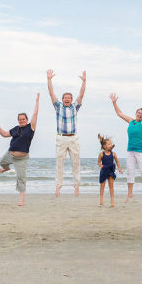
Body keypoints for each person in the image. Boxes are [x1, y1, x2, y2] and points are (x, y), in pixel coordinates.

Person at [109, 91, 142, 203]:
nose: (140, 114)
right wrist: (114, 102)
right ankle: (129, 193)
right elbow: (119, 113)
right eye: (138, 113)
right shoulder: (131, 121)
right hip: (130, 150)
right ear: (136, 113)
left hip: (141, 151)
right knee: (130, 171)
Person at [46, 69, 86, 197]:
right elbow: (51, 93)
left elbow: (81, 94)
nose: (67, 99)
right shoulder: (58, 106)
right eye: (65, 98)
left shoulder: (75, 107)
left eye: (69, 98)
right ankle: (58, 187)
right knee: (60, 164)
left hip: (73, 138)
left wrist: (84, 82)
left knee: (76, 163)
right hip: (61, 139)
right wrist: (49, 80)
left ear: (71, 99)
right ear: (62, 99)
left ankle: (76, 186)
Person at [0, 93, 40, 206]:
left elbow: (35, 114)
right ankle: (6, 168)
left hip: (22, 158)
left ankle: (21, 200)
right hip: (10, 154)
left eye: (23, 119)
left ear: (27, 119)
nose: (21, 121)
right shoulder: (15, 129)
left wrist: (37, 101)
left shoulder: (31, 127)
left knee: (21, 178)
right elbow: (5, 134)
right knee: (2, 163)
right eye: (19, 119)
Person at [97, 135, 123, 207]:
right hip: (104, 170)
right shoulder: (101, 154)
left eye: (111, 143)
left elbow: (117, 162)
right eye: (109, 144)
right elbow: (98, 162)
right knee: (102, 185)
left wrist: (119, 168)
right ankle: (101, 200)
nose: (110, 145)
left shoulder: (113, 154)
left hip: (111, 170)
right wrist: (100, 165)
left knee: (111, 186)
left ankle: (112, 201)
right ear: (104, 146)